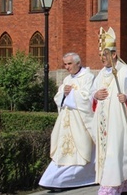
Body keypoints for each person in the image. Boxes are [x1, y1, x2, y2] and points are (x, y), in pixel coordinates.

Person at [91, 27, 127, 195]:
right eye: (101, 55)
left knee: (116, 156)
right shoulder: (101, 73)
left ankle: (109, 189)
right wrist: (95, 95)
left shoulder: (124, 72)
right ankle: (122, 189)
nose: (102, 59)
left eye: (105, 55)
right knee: (109, 157)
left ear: (114, 55)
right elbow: (91, 94)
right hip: (104, 126)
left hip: (118, 124)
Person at [39, 52, 96, 191]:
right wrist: (64, 94)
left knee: (80, 151)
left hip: (80, 122)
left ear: (78, 63)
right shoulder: (67, 79)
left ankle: (80, 178)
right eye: (65, 64)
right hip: (66, 123)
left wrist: (72, 94)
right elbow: (58, 98)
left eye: (69, 64)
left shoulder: (88, 77)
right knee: (63, 150)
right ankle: (54, 179)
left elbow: (88, 98)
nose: (67, 67)